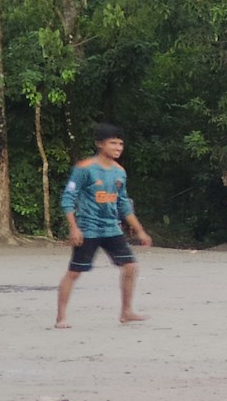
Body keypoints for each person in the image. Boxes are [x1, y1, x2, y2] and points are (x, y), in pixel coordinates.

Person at [55, 123, 154, 328]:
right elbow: (68, 198)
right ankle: (61, 316)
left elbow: (123, 204)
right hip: (88, 228)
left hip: (112, 229)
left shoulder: (120, 172)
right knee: (74, 272)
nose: (118, 148)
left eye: (120, 144)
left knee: (130, 266)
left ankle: (126, 311)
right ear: (100, 144)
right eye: (113, 143)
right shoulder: (84, 169)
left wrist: (140, 230)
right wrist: (74, 227)